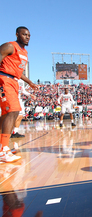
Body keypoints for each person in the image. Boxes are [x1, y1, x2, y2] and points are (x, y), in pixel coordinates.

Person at [0, 26, 38, 163]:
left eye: (29, 35)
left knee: (8, 114)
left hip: (14, 81)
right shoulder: (10, 46)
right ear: (17, 34)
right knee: (13, 111)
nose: (27, 37)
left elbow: (18, 72)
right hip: (4, 79)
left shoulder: (25, 52)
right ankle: (3, 150)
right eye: (24, 34)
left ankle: (2, 147)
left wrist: (30, 82)